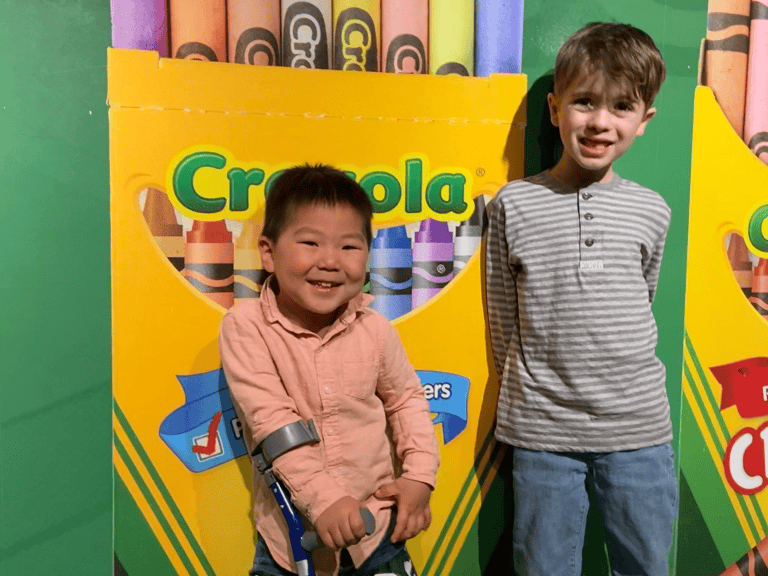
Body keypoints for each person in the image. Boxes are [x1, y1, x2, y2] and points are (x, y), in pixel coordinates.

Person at [484, 22, 678, 576]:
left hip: (638, 428)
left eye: (621, 107)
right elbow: (503, 317)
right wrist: (533, 390)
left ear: (644, 121)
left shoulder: (652, 209)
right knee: (544, 568)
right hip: (543, 432)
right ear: (554, 109)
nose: (599, 121)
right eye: (584, 102)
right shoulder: (514, 205)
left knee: (645, 565)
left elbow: (643, 294)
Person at [219, 164, 439, 576]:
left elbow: (407, 400)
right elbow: (271, 423)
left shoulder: (375, 328)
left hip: (379, 533)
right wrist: (324, 501)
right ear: (268, 252)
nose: (330, 262)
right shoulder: (246, 327)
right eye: (310, 243)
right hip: (291, 542)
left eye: (349, 248)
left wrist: (419, 478)